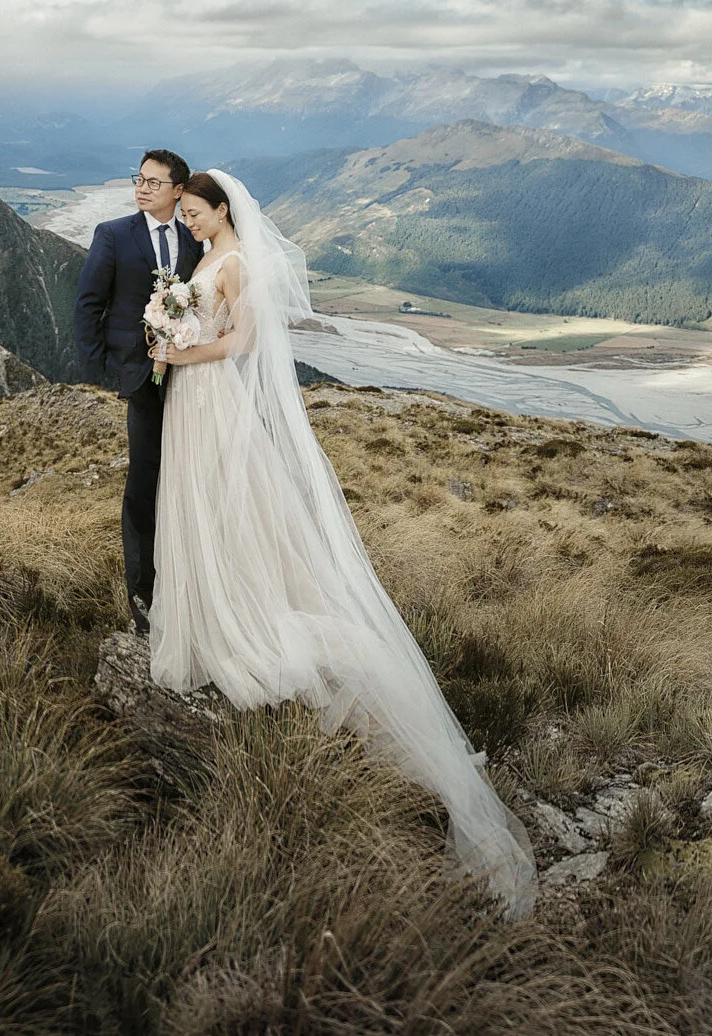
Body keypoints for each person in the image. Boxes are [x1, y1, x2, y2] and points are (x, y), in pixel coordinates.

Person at [147, 169, 538, 917]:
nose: (189, 223)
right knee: (198, 510)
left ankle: (239, 609)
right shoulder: (204, 258)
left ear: (223, 209)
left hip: (209, 394)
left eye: (196, 213)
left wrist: (176, 350)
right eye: (186, 215)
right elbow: (197, 319)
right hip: (189, 403)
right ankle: (208, 603)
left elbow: (242, 341)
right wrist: (171, 331)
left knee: (231, 508)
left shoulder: (238, 265)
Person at [73, 149, 201, 634]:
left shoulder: (193, 238)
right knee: (144, 479)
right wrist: (106, 368)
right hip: (137, 375)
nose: (142, 188)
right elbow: (88, 304)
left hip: (187, 375)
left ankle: (181, 577)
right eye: (139, 179)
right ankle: (141, 591)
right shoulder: (113, 235)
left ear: (178, 191)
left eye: (153, 182)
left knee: (184, 473)